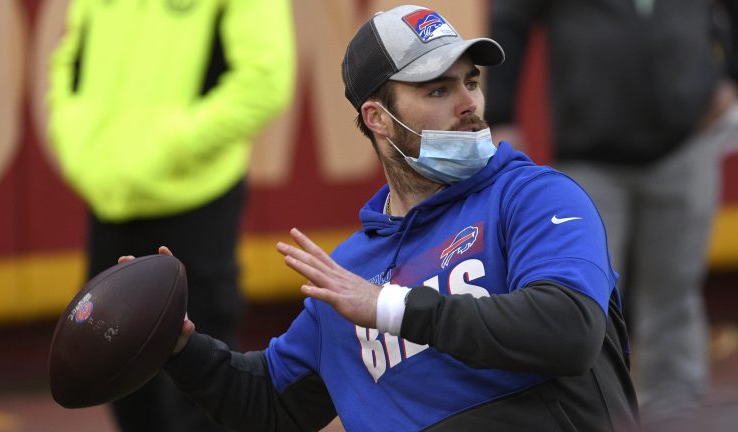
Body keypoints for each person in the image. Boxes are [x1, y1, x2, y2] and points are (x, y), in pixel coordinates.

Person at [154, 5, 638, 431]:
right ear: (378, 118)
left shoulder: (533, 196)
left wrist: (391, 307)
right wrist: (177, 347)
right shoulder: (348, 276)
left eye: (471, 82)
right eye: (437, 91)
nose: (469, 103)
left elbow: (569, 330)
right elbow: (268, 402)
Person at [485, 1, 738, 429]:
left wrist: (730, 75)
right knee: (586, 300)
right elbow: (509, 18)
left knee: (674, 294)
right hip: (590, 159)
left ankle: (676, 418)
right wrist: (503, 114)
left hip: (686, 144)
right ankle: (595, 417)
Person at [46, 0, 296, 431]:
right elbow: (67, 63)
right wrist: (80, 147)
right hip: (109, 200)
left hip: (196, 200)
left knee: (200, 390)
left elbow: (264, 81)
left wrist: (166, 147)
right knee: (117, 376)